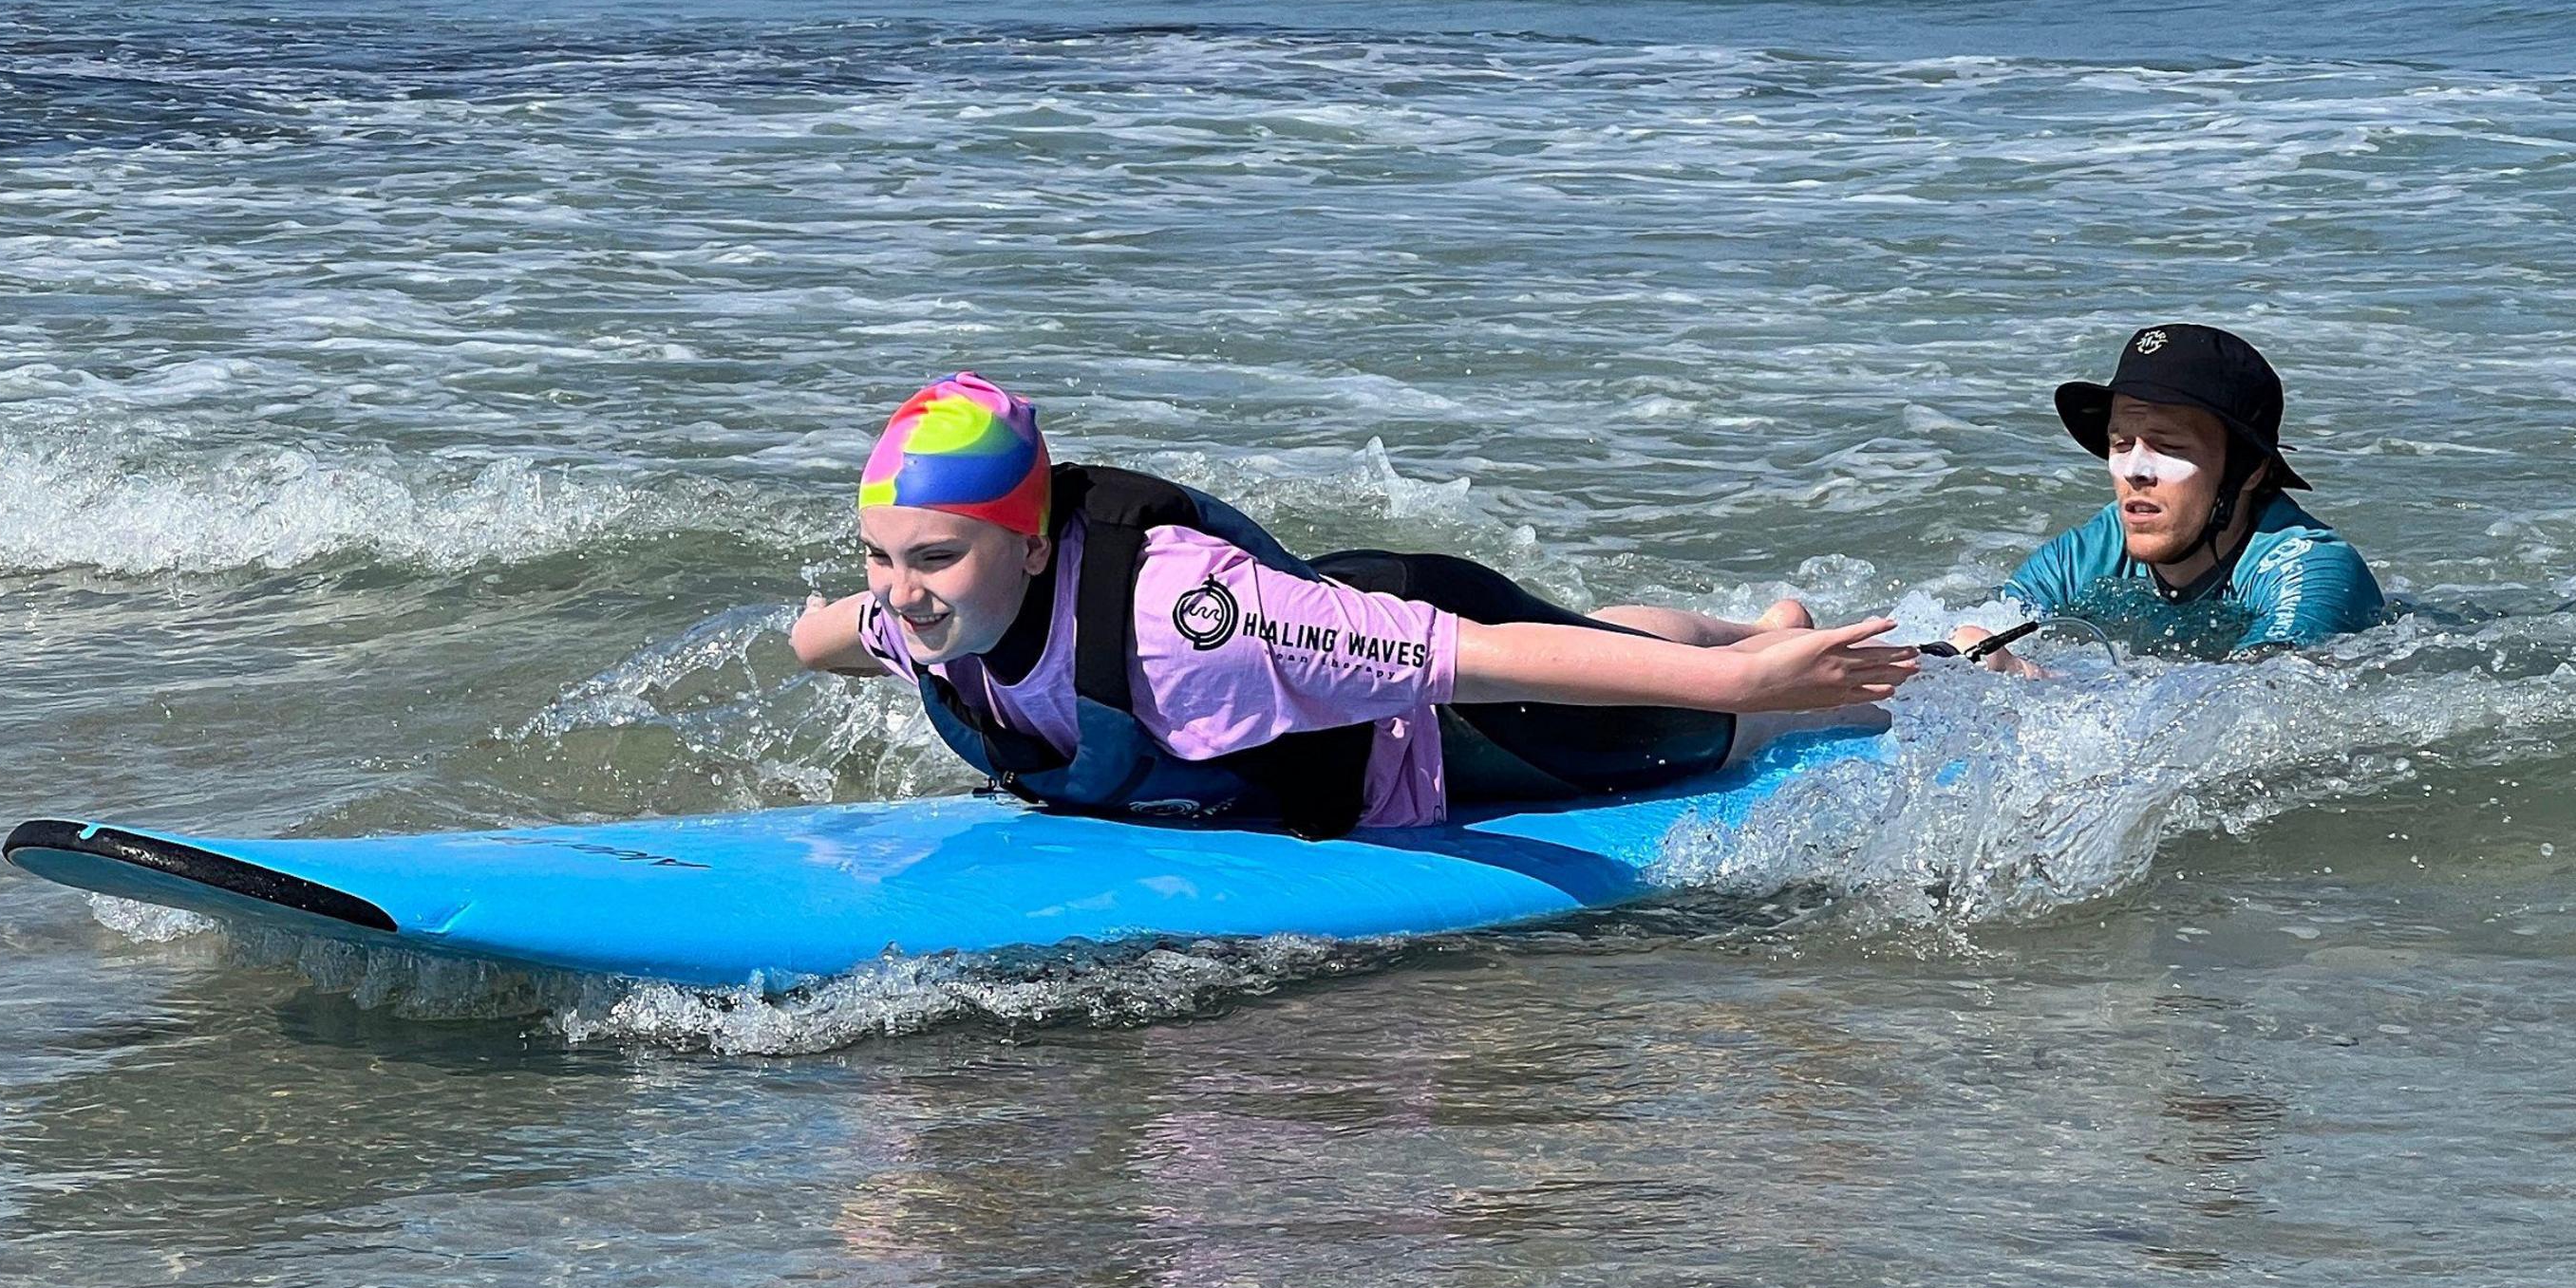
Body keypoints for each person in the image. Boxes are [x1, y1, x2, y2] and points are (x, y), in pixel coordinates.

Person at [794, 373, 1914, 837]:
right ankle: (1765, 630)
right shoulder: (922, 610)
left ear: (1034, 550)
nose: (901, 594)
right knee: (1596, 636)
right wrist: (827, 628)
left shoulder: (1191, 628)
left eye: (934, 557)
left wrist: (1741, 686)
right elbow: (824, 636)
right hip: (1357, 641)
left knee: (1720, 731)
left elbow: (1481, 660)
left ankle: (1848, 664)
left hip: (1448, 715)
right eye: (879, 558)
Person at [1956, 325, 2385, 663]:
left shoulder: (2313, 570)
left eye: (2169, 447)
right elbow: (1985, 627)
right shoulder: (2086, 553)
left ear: (2250, 471)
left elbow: (2249, 702)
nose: (2135, 472)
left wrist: (2037, 677)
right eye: (2121, 444)